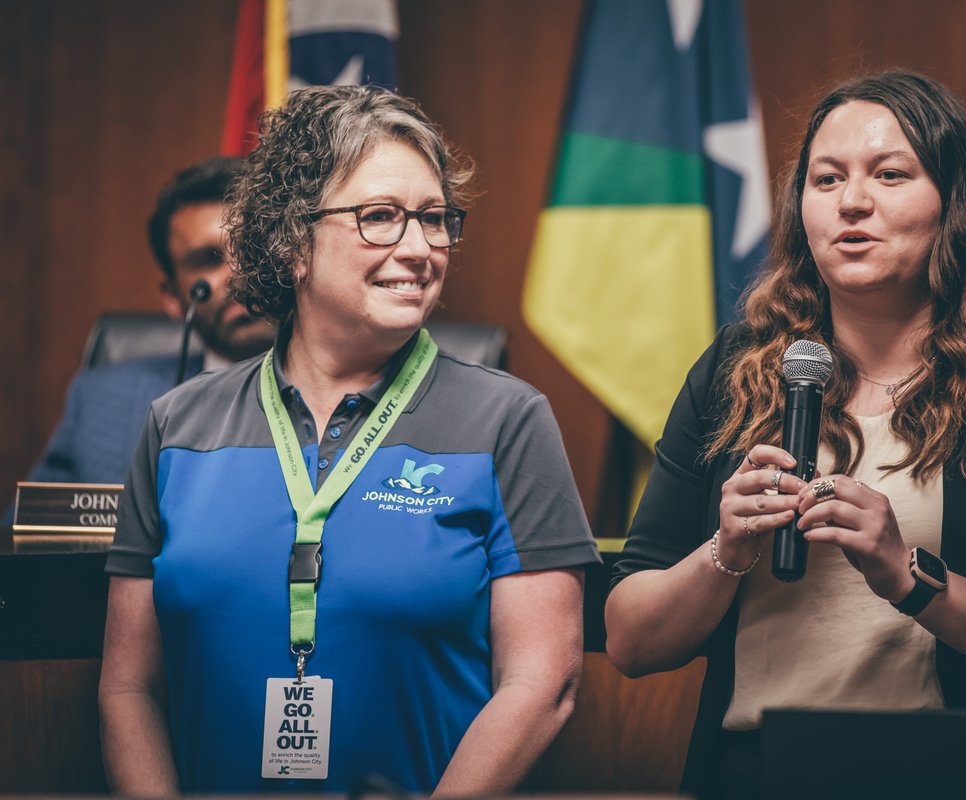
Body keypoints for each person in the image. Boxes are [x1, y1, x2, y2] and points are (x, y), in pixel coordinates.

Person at [604, 71, 966, 799]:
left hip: (964, 775)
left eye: (890, 174)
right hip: (758, 772)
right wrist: (723, 552)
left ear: (954, 205)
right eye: (825, 178)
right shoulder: (736, 374)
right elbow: (629, 641)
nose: (851, 202)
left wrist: (912, 579)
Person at [99, 85, 599, 796]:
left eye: (435, 219)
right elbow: (128, 690)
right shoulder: (177, 426)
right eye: (380, 218)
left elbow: (542, 683)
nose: (421, 247)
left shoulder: (508, 421)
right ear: (291, 241)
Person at [11, 157, 274, 494]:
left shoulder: (354, 389)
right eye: (208, 259)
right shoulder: (100, 400)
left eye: (253, 248)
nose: (239, 275)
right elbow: (28, 536)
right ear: (172, 298)